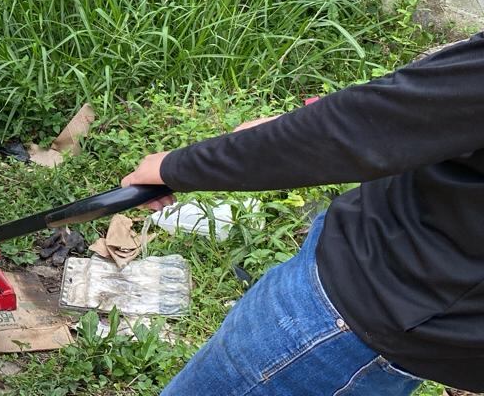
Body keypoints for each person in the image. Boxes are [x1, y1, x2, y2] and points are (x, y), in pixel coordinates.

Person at [121, 34, 484, 394]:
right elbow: (428, 108)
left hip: (352, 316)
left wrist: (175, 168)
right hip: (424, 312)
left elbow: (353, 131)